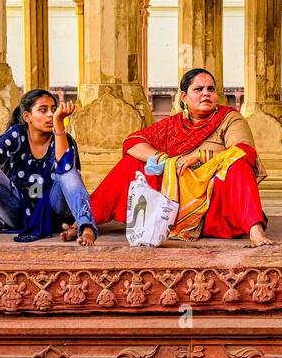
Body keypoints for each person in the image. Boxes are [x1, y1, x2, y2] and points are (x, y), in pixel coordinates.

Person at [91, 67, 270, 246]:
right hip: (173, 206)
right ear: (184, 97)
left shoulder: (229, 118)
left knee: (239, 165)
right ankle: (86, 220)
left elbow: (244, 150)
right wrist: (165, 160)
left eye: (211, 89)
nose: (206, 93)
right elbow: (133, 142)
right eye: (198, 89)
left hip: (214, 206)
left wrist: (200, 156)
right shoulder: (173, 124)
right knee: (131, 163)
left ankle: (255, 230)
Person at [0, 89, 96, 246]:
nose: (50, 115)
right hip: (17, 212)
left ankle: (87, 228)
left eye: (53, 110)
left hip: (54, 214)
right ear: (27, 116)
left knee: (68, 172)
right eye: (43, 110)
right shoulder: (17, 135)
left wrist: (59, 125)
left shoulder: (63, 139)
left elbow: (67, 173)